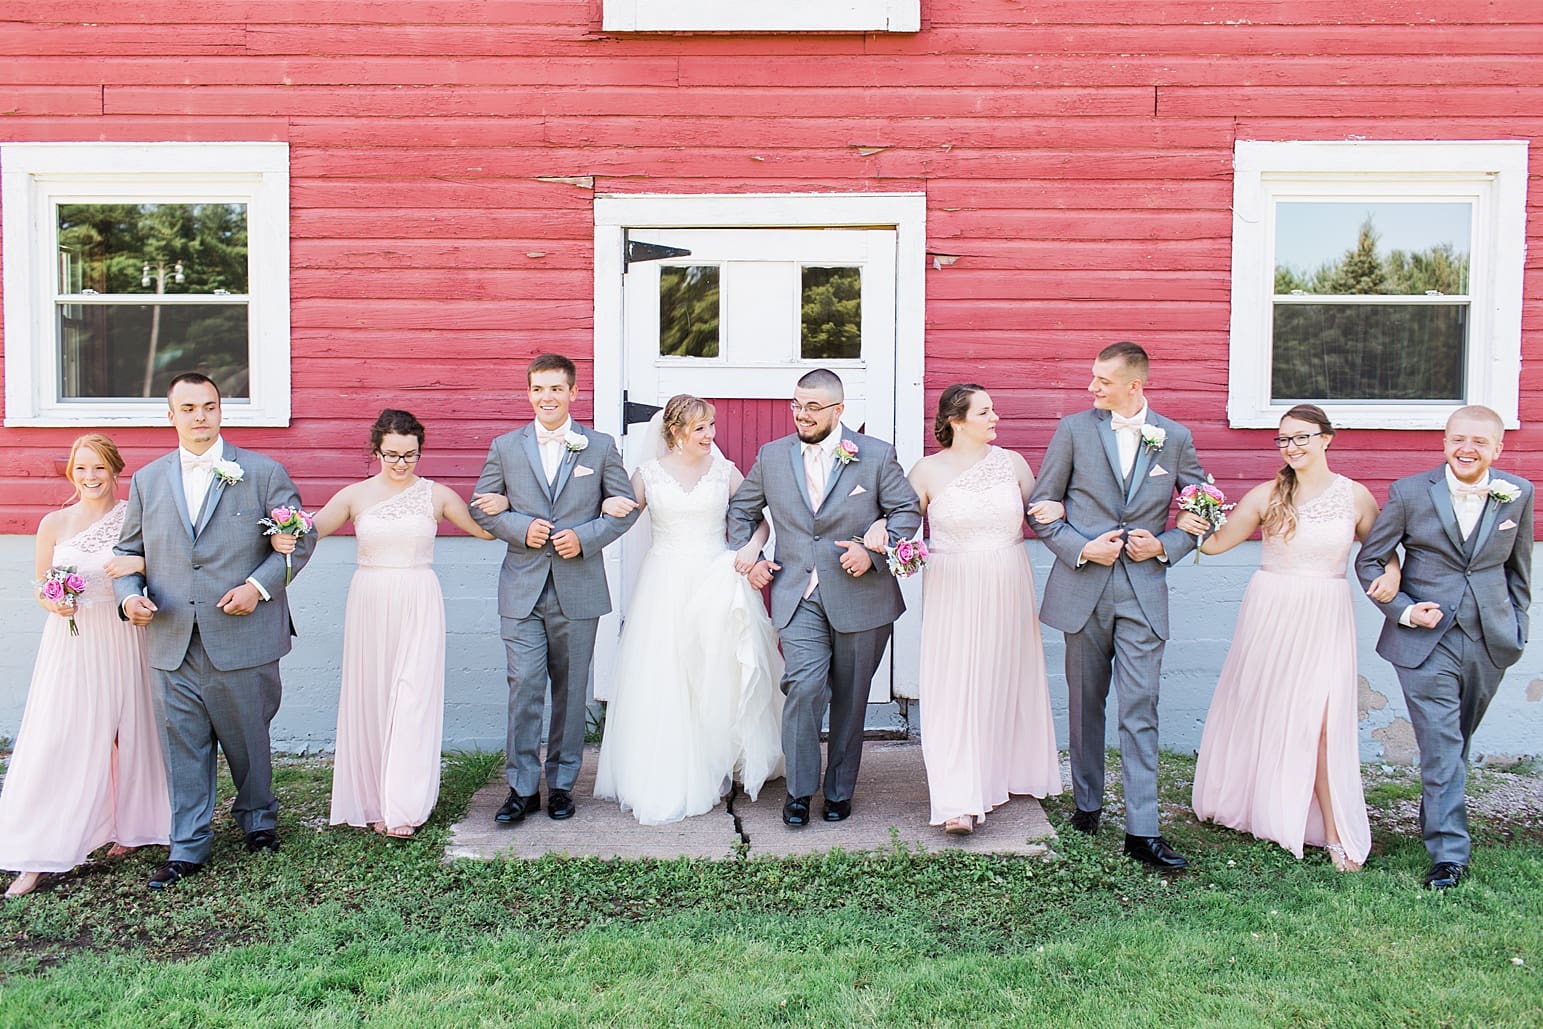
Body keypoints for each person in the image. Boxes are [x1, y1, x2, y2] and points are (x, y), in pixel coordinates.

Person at [114, 372, 313, 890]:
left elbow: (298, 540)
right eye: (188, 408)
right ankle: (188, 846)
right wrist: (129, 596)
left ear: (221, 411)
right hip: (172, 633)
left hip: (243, 631)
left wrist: (259, 587)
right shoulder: (147, 480)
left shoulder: (263, 471)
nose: (199, 416)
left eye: (208, 406)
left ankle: (258, 820)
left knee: (248, 737)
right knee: (183, 746)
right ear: (171, 415)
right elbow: (126, 553)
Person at [1187, 406, 1400, 871]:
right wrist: (1195, 521)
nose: (1292, 447)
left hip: (1325, 611)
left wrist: (1392, 575)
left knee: (1322, 722)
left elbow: (1381, 550)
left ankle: (1337, 830)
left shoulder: (1356, 497)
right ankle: (1261, 806)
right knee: (1264, 706)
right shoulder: (1268, 494)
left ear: (1327, 439)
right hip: (1272, 608)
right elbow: (1216, 543)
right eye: (1283, 440)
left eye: (1301, 437)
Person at [1028, 341, 1208, 870]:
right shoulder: (1074, 431)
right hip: (1083, 585)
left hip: (1144, 591)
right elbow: (1041, 511)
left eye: (1102, 381)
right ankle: (1087, 806)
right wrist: (1080, 547)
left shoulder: (1175, 438)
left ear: (1135, 385)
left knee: (1140, 706)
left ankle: (1142, 829)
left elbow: (1204, 509)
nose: (1092, 388)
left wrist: (1168, 545)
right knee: (1086, 705)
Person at [270, 410, 493, 838]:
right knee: (372, 696)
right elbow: (310, 530)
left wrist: (501, 505)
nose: (401, 464)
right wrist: (283, 535)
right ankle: (373, 797)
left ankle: (403, 804)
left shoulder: (438, 495)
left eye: (410, 455)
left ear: (419, 451)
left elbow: (485, 532)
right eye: (392, 455)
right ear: (376, 451)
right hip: (370, 600)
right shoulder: (355, 495)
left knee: (413, 697)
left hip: (418, 595)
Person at [726, 368, 922, 828]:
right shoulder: (772, 456)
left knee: (852, 699)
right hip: (797, 594)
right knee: (804, 687)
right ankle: (799, 791)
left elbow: (906, 511)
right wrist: (750, 555)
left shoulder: (875, 455)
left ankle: (839, 790)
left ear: (839, 409)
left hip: (863, 597)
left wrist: (872, 554)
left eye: (813, 406)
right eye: (797, 404)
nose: (802, 414)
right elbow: (742, 509)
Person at [867, 385, 1065, 835]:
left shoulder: (1012, 463)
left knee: (1002, 676)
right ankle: (958, 798)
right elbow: (902, 521)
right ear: (957, 421)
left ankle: (1003, 773)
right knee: (956, 683)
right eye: (985, 411)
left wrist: (1056, 510)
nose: (995, 417)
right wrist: (881, 526)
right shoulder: (926, 471)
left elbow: (1039, 516)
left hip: (1009, 580)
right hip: (953, 585)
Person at [1355, 405, 1533, 890]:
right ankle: (1449, 854)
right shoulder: (1411, 492)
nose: (1467, 449)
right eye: (1458, 439)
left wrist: (1518, 626)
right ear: (1444, 441)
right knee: (1443, 743)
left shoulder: (1518, 493)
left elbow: (1518, 570)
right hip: (1424, 640)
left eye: (1479, 441)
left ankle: (1435, 815)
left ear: (1498, 447)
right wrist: (1406, 610)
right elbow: (1371, 561)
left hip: (1491, 638)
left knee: (1455, 738)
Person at [592, 396, 785, 824]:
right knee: (671, 672)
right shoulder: (647, 475)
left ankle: (725, 756)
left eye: (711, 425)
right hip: (665, 582)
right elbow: (620, 515)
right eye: (700, 428)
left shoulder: (724, 469)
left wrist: (752, 548)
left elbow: (759, 516)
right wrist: (607, 504)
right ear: (676, 431)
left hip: (717, 576)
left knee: (720, 670)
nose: (710, 435)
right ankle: (680, 764)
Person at [470, 354, 639, 826]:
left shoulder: (599, 447)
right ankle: (521, 788)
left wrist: (584, 537)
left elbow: (624, 509)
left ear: (573, 392)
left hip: (578, 587)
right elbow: (482, 508)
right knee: (524, 684)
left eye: (556, 389)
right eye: (539, 389)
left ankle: (562, 784)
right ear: (529, 393)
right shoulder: (505, 447)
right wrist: (522, 527)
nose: (547, 397)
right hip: (522, 587)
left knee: (570, 690)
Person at [0, 435, 169, 898]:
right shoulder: (54, 523)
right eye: (81, 469)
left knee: (131, 731)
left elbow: (158, 568)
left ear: (115, 470)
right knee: (61, 735)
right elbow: (40, 586)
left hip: (124, 634)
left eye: (99, 468)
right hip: (71, 641)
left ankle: (130, 827)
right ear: (71, 473)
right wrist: (54, 604)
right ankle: (39, 851)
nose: (90, 478)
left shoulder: (133, 519)